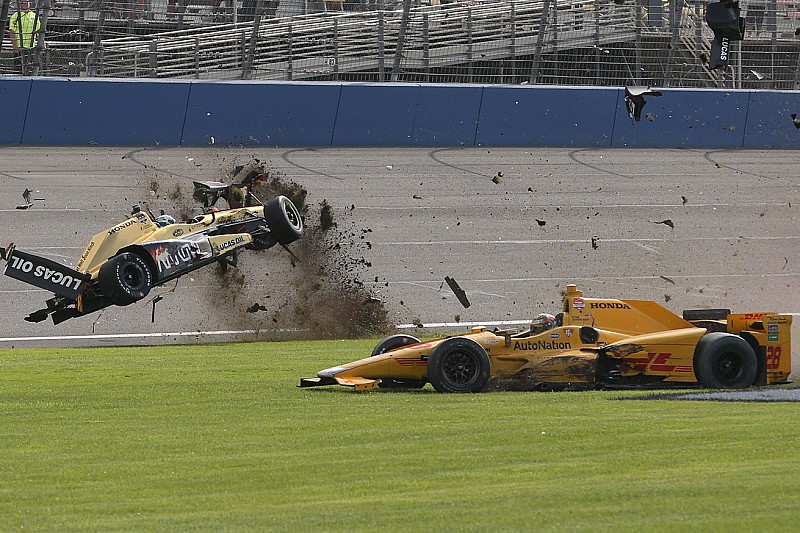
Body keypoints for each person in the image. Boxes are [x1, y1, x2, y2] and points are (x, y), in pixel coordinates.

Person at [8, 0, 42, 74]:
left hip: (32, 48)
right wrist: (15, 47)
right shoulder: (15, 16)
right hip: (20, 48)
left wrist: (42, 42)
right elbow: (11, 31)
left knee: (32, 69)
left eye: (26, 2)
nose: (25, 4)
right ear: (19, 4)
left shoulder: (34, 15)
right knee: (18, 70)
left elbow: (39, 31)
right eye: (23, 2)